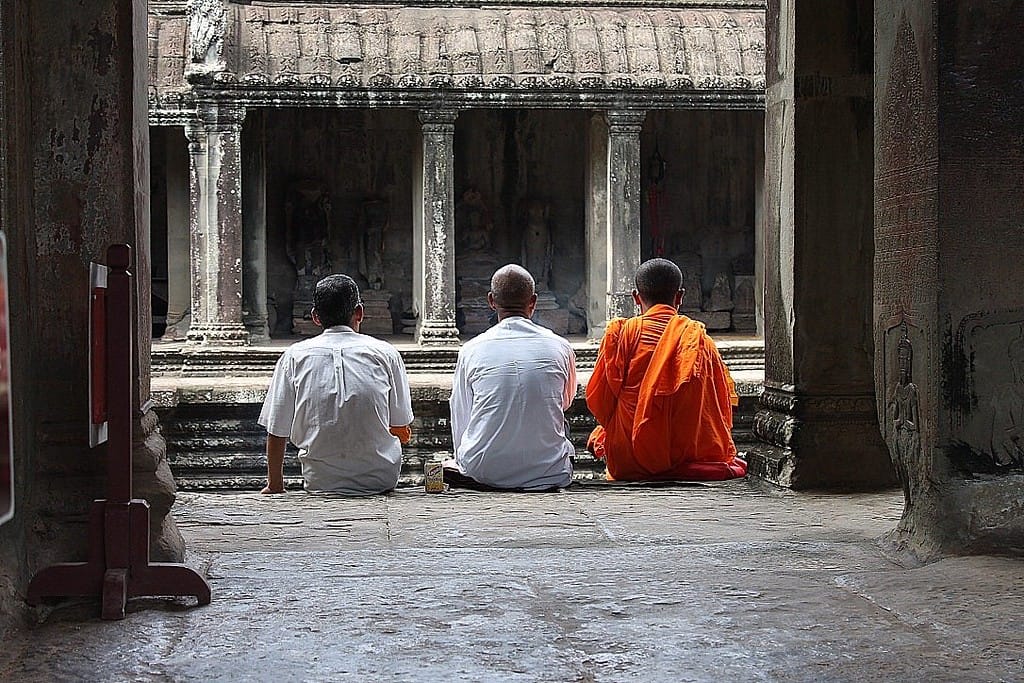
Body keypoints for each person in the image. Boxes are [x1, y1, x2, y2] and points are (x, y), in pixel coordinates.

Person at [586, 258, 747, 481]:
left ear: (636, 297)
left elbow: (600, 403)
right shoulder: (698, 341)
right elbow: (719, 406)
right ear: (680, 296)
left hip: (628, 459)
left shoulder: (621, 335)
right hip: (687, 456)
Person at [258, 274, 413, 495]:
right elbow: (400, 425)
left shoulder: (294, 357)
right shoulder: (385, 353)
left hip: (320, 481)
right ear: (359, 312)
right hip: (381, 478)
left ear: (315, 317)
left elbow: (276, 429)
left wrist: (275, 485)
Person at [446, 264, 577, 491]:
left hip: (482, 469)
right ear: (533, 302)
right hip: (549, 471)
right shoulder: (560, 346)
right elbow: (565, 402)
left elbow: (461, 414)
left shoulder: (472, 349)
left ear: (491, 301)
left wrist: (464, 459)